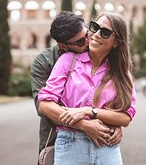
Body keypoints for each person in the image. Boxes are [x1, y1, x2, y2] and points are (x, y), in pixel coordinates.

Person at [38, 12, 137, 165]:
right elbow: (45, 104)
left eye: (105, 32)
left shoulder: (122, 75)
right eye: (95, 27)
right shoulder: (68, 61)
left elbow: (125, 117)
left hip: (106, 144)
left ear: (116, 42)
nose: (96, 34)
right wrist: (85, 125)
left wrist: (88, 111)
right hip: (70, 144)